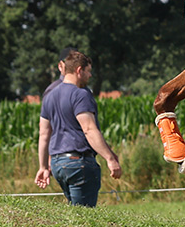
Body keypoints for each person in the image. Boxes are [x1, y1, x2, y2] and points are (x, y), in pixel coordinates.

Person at [35, 49, 122, 206]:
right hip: (78, 163)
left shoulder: (49, 96)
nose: (90, 76)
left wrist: (43, 167)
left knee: (75, 214)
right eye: (88, 71)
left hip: (57, 164)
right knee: (84, 219)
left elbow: (43, 135)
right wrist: (109, 159)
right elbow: (89, 130)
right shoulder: (81, 94)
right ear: (79, 70)